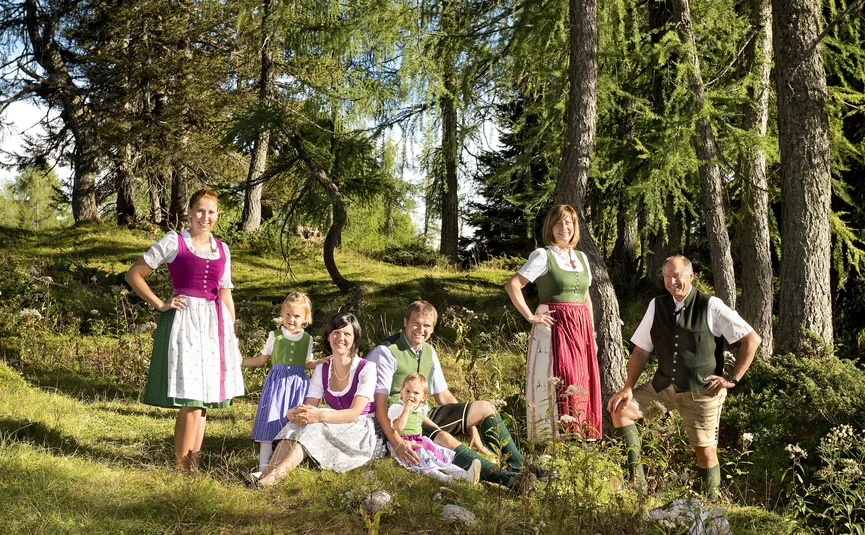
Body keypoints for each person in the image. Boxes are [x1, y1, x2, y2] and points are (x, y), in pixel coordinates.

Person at [607, 255, 761, 497]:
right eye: (667, 276)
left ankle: (710, 507)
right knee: (621, 410)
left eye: (676, 276)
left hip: (702, 391)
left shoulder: (711, 305)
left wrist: (732, 378)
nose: (671, 281)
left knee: (705, 452)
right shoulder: (656, 305)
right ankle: (637, 489)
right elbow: (641, 349)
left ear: (691, 276)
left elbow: (751, 340)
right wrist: (628, 387)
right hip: (664, 385)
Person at [125, 188, 245, 472]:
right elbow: (134, 274)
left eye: (211, 212)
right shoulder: (174, 241)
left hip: (215, 326)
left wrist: (232, 336)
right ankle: (181, 470)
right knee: (191, 400)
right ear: (189, 212)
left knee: (203, 404)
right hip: (186, 323)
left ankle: (194, 466)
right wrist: (159, 303)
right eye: (200, 211)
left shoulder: (223, 249)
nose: (205, 217)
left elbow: (226, 295)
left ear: (217, 215)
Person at [367, 300, 546, 490]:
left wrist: (470, 427)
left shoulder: (428, 351)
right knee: (445, 439)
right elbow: (379, 405)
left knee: (486, 407)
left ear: (433, 329)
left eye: (427, 325)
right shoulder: (386, 352)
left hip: (423, 413)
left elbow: (442, 394)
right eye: (416, 323)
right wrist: (397, 442)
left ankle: (520, 464)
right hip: (398, 421)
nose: (421, 329)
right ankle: (510, 480)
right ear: (405, 322)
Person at [254, 312, 387, 487]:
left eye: (347, 334)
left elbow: (354, 413)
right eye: (336, 333)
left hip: (363, 430)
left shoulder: (366, 368)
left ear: (355, 339)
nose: (340, 338)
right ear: (329, 336)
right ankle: (265, 473)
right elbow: (309, 407)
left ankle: (274, 478)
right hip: (338, 422)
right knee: (299, 423)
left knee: (315, 427)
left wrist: (319, 416)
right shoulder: (322, 369)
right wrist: (294, 413)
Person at [505, 204, 601, 441]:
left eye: (568, 222)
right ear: (550, 227)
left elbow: (586, 297)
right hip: (556, 326)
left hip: (581, 329)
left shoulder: (582, 258)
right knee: (562, 378)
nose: (564, 227)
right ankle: (554, 439)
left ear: (575, 227)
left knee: (581, 380)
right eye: (558, 222)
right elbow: (513, 285)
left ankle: (580, 438)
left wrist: (593, 334)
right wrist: (531, 316)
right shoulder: (543, 255)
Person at [242, 292, 331, 471]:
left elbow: (305, 364)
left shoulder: (307, 339)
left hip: (298, 386)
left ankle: (282, 463)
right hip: (276, 385)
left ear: (306, 318)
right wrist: (240, 361)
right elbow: (262, 360)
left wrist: (319, 362)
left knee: (293, 423)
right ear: (282, 314)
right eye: (288, 314)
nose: (291, 319)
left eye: (297, 316)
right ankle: (262, 467)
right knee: (271, 420)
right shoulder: (275, 335)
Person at [388, 373, 481, 484]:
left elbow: (424, 419)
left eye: (416, 393)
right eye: (407, 391)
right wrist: (406, 409)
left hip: (419, 440)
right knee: (424, 460)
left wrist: (437, 428)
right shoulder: (397, 408)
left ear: (423, 397)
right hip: (404, 442)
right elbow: (398, 426)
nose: (411, 395)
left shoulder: (420, 409)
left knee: (439, 456)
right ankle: (447, 480)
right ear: (401, 392)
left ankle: (465, 475)